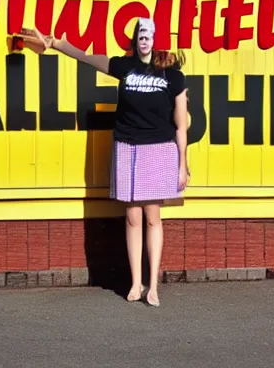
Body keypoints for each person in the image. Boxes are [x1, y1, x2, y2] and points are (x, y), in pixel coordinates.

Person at [18, 18, 189, 307]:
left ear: (155, 38)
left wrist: (182, 163)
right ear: (134, 40)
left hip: (159, 148)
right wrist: (58, 44)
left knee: (152, 217)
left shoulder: (172, 75)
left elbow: (181, 124)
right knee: (132, 217)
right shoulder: (125, 67)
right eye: (139, 35)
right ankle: (135, 283)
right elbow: (86, 58)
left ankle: (154, 286)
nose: (143, 40)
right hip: (127, 146)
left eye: (148, 35)